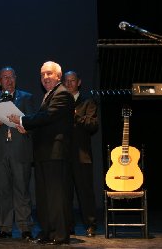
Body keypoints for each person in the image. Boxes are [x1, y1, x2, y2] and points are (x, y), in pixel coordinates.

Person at [8, 61, 75, 245]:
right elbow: (45, 124)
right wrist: (27, 129)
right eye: (42, 74)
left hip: (55, 152)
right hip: (44, 152)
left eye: (49, 74)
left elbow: (47, 117)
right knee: (44, 196)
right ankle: (48, 231)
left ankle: (60, 234)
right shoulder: (49, 95)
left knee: (56, 195)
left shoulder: (63, 94)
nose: (45, 77)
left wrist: (22, 120)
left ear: (58, 77)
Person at [0, 67, 36, 240]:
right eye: (5, 77)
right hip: (0, 152)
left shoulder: (26, 97)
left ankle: (25, 227)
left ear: (15, 79)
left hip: (20, 150)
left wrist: (25, 127)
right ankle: (5, 227)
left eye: (11, 77)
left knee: (22, 191)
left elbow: (34, 122)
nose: (8, 80)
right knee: (3, 191)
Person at [64, 71, 99, 237]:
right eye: (67, 81)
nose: (70, 84)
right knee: (65, 193)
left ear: (79, 82)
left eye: (72, 81)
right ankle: (68, 226)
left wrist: (76, 116)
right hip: (63, 155)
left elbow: (93, 124)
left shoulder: (87, 102)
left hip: (82, 155)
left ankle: (91, 225)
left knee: (85, 192)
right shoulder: (61, 102)